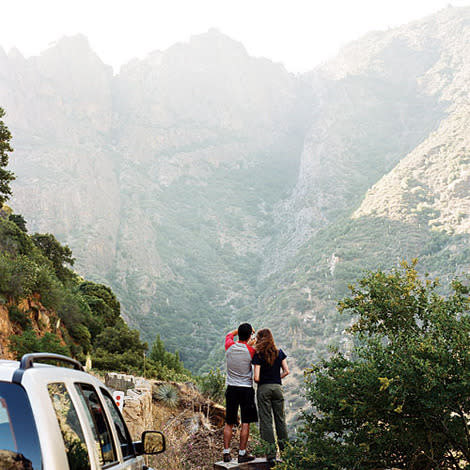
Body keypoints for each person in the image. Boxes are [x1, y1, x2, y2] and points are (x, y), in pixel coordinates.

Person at [252, 328, 289, 463]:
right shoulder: (279, 353)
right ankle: (286, 452)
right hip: (278, 388)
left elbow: (256, 377)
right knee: (280, 420)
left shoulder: (259, 355)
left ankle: (271, 455)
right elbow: (287, 371)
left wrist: (265, 380)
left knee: (266, 421)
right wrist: (276, 378)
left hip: (264, 389)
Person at [223, 323, 258, 463]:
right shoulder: (251, 351)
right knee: (245, 422)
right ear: (250, 336)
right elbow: (253, 348)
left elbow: (229, 335)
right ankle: (242, 454)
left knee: (229, 422)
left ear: (239, 333)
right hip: (246, 389)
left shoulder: (229, 346)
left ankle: (226, 452)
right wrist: (251, 340)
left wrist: (240, 330)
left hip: (231, 388)